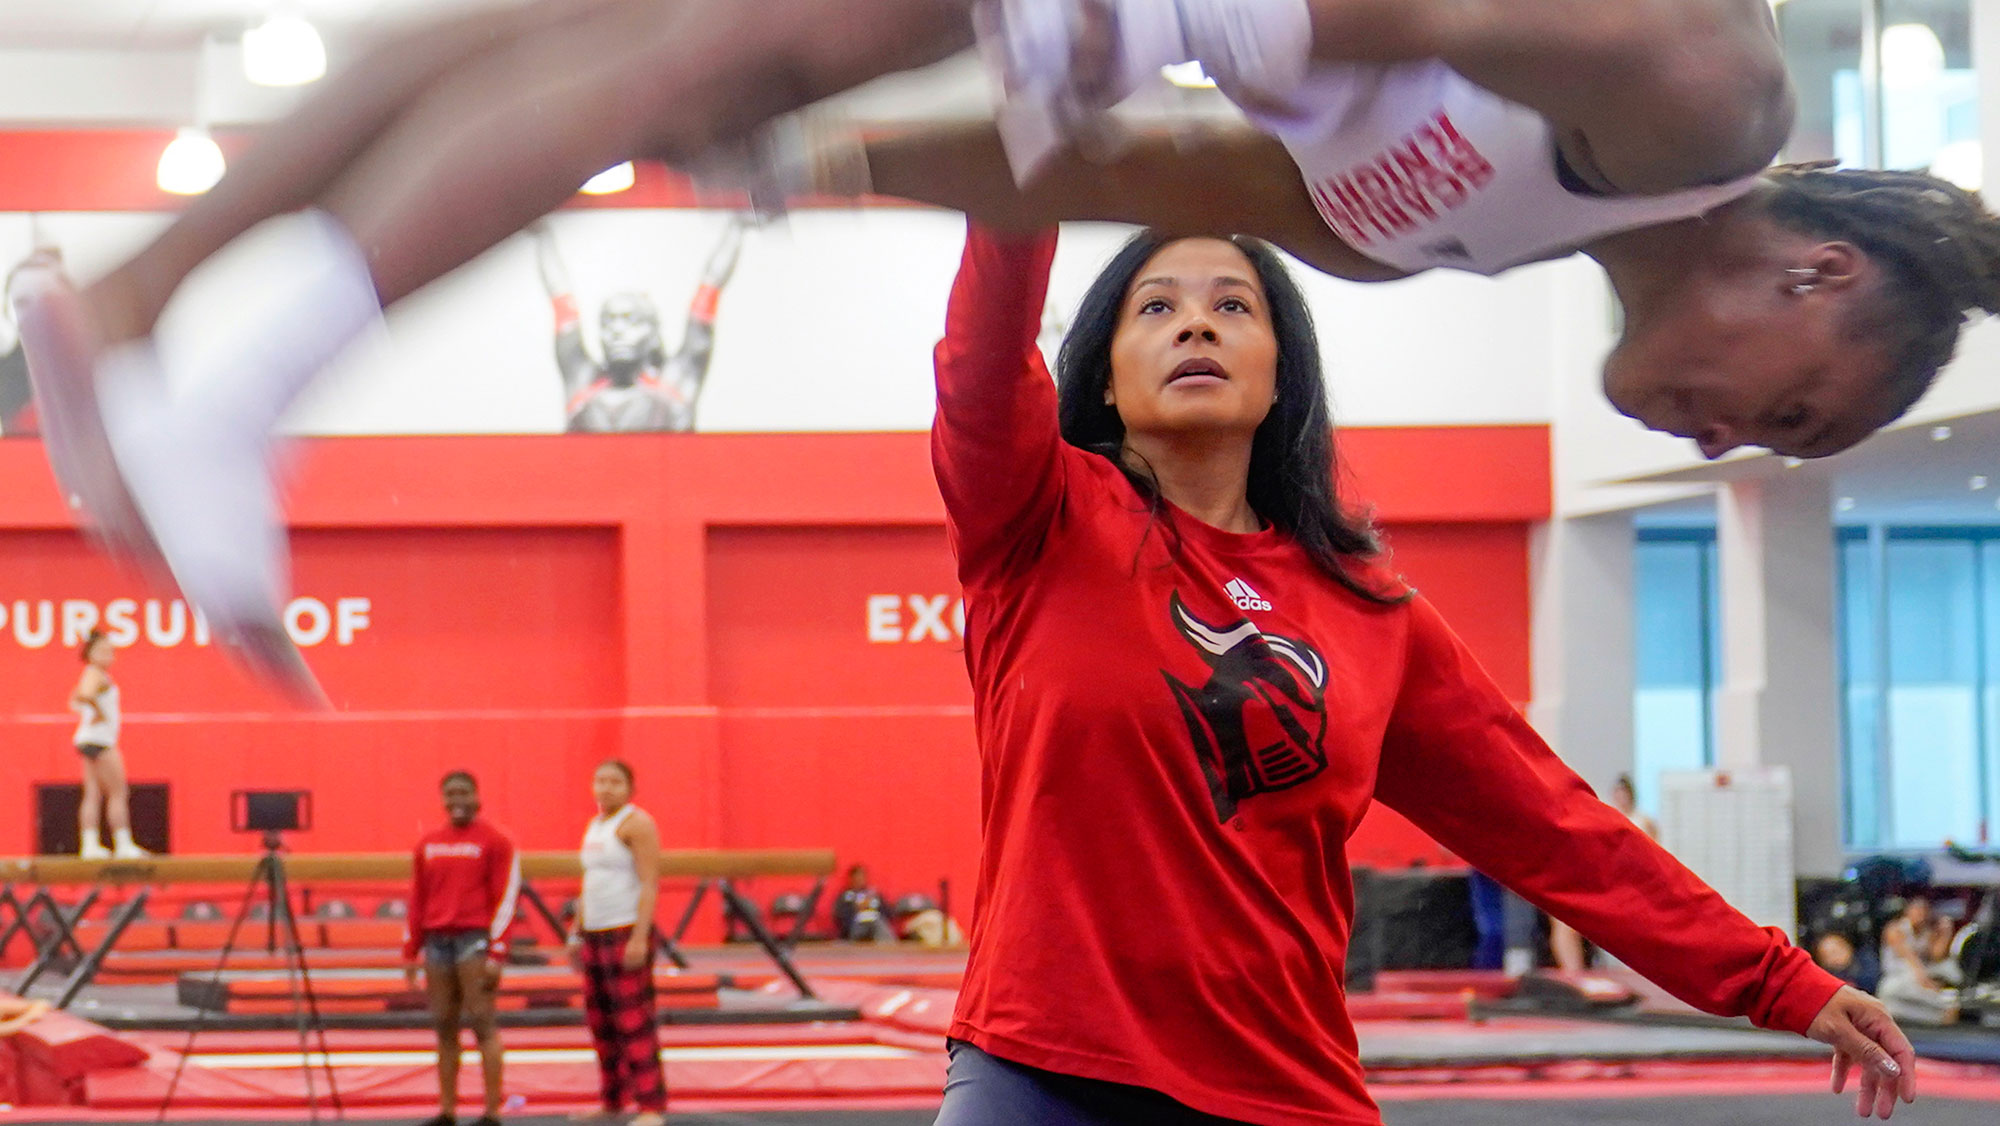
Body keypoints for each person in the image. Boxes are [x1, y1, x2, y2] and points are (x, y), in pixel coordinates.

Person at [19, 0, 1974, 698]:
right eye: (1791, 419)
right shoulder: (1710, 124)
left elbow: (1141, 160)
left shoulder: (1424, 249)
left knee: (629, 43)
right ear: (1808, 277)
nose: (1736, 446)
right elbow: (1648, 32)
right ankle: (241, 395)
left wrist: (815, 162)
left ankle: (136, 300)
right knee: (702, 41)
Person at [926, 221, 1918, 1124]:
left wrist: (1779, 980)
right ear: (1099, 377)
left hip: (1278, 1086)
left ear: (1280, 375)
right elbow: (980, 361)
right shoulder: (1037, 522)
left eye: (1232, 305)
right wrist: (1024, 170)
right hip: (1044, 1069)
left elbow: (1556, 828)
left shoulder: (1365, 611)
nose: (1196, 324)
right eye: (1158, 307)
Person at [532, 214, 749, 433]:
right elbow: (560, 295)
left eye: (631, 321)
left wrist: (736, 228)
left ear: (653, 334)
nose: (617, 332)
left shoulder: (676, 380)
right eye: (608, 323)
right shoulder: (581, 379)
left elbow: (710, 284)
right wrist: (542, 235)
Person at [402, 770, 521, 1126]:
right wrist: (411, 950)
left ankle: (491, 1112)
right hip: (437, 942)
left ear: (477, 796)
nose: (457, 799)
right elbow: (417, 898)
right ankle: (448, 1110)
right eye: (450, 793)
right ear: (442, 799)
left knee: (482, 1021)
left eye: (463, 792)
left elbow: (505, 898)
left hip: (474, 940)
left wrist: (497, 952)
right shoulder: (428, 843)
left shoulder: (496, 840)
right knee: (443, 1024)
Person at [568, 760, 666, 1126]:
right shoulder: (595, 825)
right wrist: (575, 931)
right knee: (601, 1021)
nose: (606, 788)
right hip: (594, 932)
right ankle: (612, 1101)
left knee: (633, 1022)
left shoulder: (637, 824)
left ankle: (651, 1107)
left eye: (615, 782)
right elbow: (587, 882)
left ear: (630, 789)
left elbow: (650, 883)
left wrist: (640, 937)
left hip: (625, 930)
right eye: (600, 781)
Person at [1551, 773, 1659, 971]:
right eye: (1617, 793)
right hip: (1604, 884)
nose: (1620, 797)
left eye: (1623, 793)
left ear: (1631, 795)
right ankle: (1574, 973)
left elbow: (1651, 860)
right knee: (1563, 923)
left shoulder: (1643, 822)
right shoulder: (1606, 818)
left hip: (1630, 887)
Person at [69, 628, 144, 860]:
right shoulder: (96, 675)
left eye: (110, 652)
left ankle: (89, 845)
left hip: (87, 738)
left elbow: (74, 699)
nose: (108, 656)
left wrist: (91, 710)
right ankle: (123, 844)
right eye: (102, 651)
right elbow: (83, 695)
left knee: (92, 793)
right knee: (118, 792)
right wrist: (99, 712)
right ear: (90, 654)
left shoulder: (90, 674)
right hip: (101, 740)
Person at [1878, 895, 1961, 1026]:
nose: (1920, 915)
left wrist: (1946, 932)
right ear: (1908, 911)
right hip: (1899, 976)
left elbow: (1936, 956)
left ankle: (1944, 1011)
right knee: (1895, 994)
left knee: (1950, 969)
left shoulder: (1927, 932)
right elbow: (1910, 959)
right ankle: (1943, 1003)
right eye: (1917, 911)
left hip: (1922, 974)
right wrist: (1926, 982)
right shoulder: (1895, 929)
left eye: (1924, 912)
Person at [831, 863, 896, 943]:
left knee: (875, 920)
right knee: (868, 919)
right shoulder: (847, 896)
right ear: (851, 878)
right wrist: (855, 908)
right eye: (857, 877)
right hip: (855, 926)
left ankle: (889, 946)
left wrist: (873, 905)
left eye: (862, 876)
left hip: (875, 923)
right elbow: (839, 917)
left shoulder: (873, 894)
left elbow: (888, 914)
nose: (860, 879)